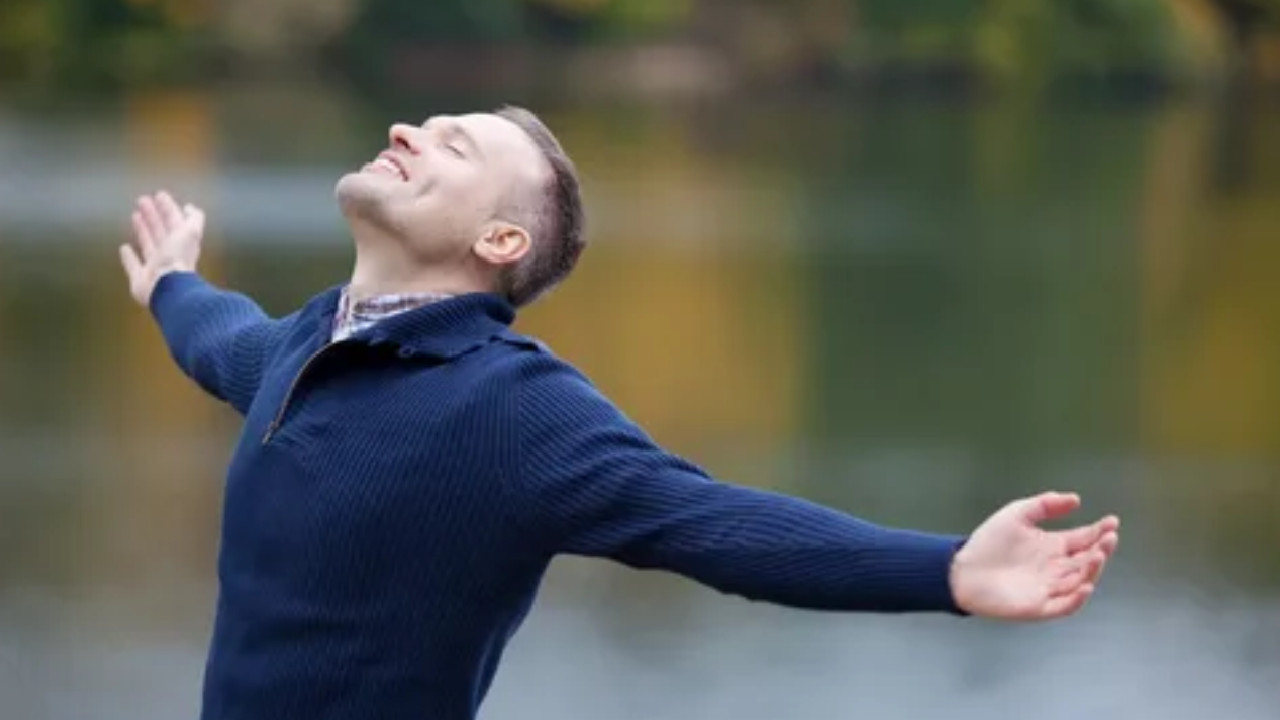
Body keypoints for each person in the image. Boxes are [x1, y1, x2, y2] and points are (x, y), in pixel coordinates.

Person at [119, 106, 1120, 720]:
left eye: (452, 145)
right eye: (424, 124)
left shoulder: (509, 407)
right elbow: (220, 339)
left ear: (500, 239)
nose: (404, 133)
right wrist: (170, 284)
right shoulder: (308, 347)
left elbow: (708, 521)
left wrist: (945, 570)